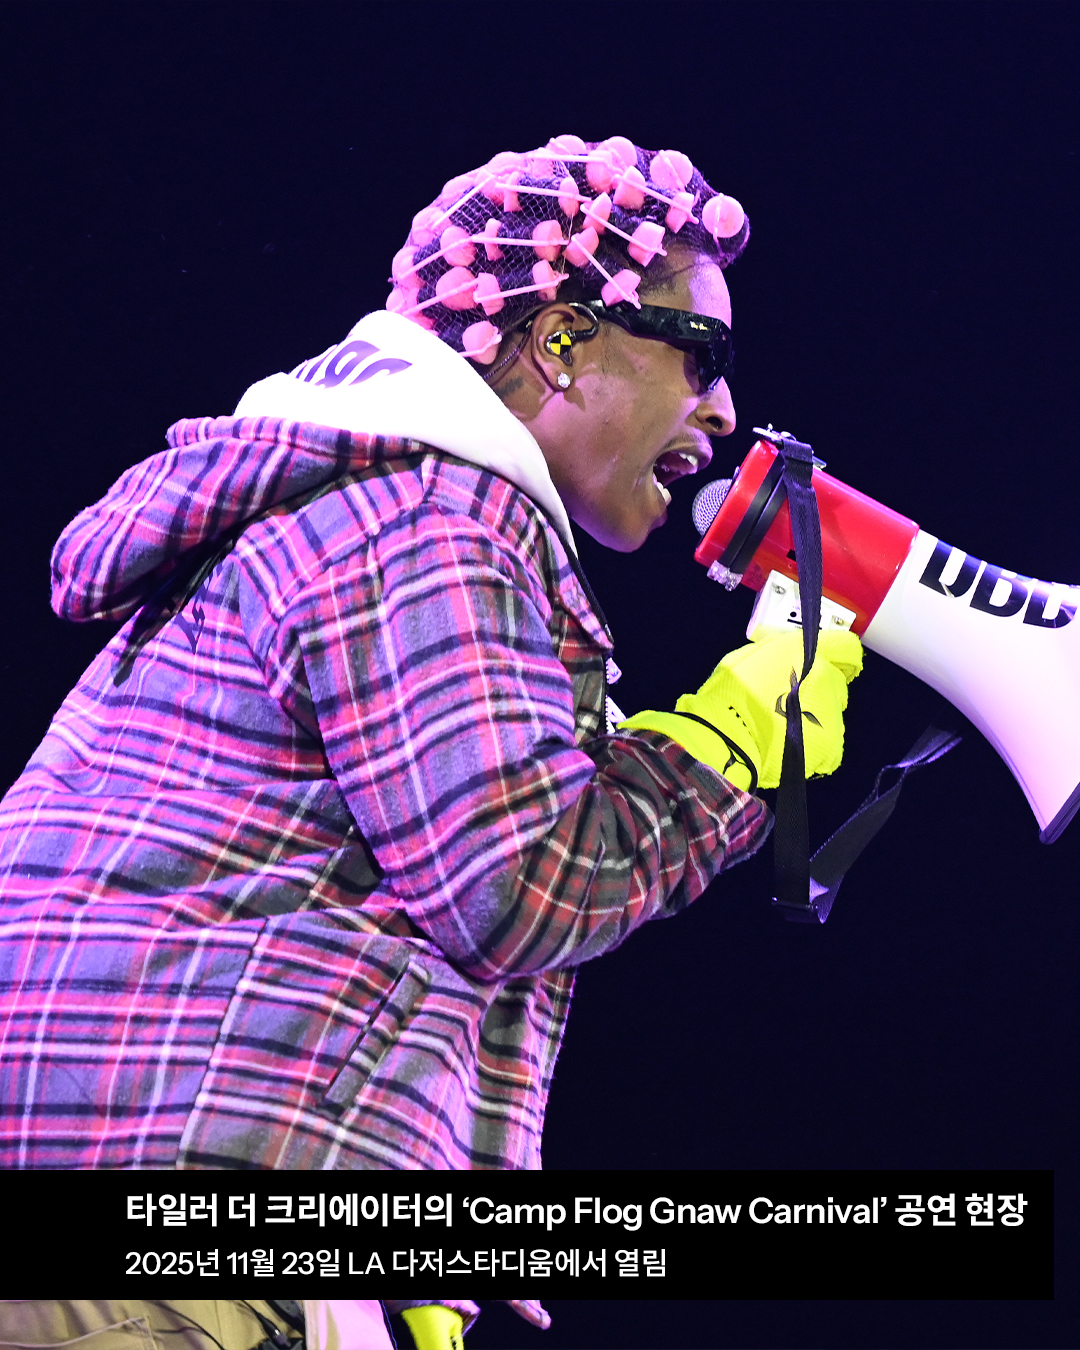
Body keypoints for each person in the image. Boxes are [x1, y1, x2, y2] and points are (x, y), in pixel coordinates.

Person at [0, 135, 861, 1171]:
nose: (723, 409)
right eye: (701, 354)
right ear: (560, 340)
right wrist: (729, 740)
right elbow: (524, 887)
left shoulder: (372, 498)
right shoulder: (426, 521)